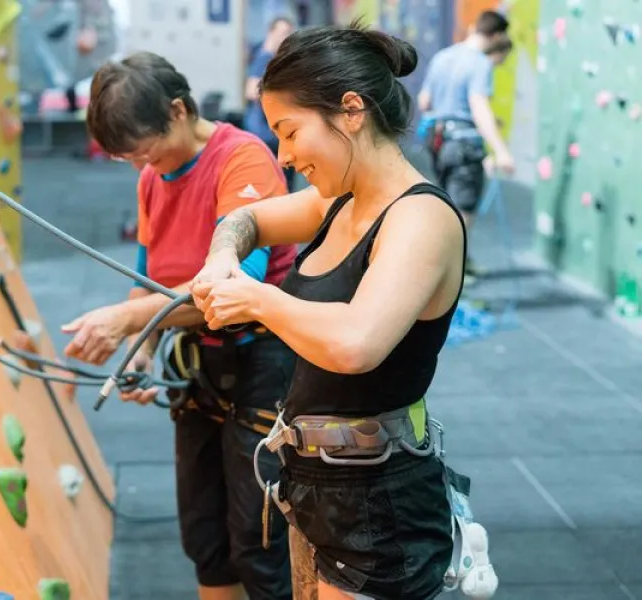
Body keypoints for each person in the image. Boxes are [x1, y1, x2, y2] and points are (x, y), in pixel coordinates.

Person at [189, 21, 468, 600]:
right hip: (317, 488)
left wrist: (256, 297)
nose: (285, 155)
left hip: (380, 504)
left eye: (290, 133)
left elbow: (356, 344)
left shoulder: (420, 219)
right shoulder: (337, 201)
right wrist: (222, 259)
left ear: (349, 110)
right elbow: (248, 220)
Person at [61, 51, 297, 600]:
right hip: (198, 361)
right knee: (204, 534)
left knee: (259, 539)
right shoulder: (152, 177)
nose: (142, 163)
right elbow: (147, 276)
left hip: (263, 359)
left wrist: (127, 322)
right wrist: (141, 351)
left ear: (179, 109)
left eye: (144, 148)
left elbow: (235, 290)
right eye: (129, 157)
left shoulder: (243, 160)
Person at [417, 10, 515, 282]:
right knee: (464, 210)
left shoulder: (442, 57)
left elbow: (425, 102)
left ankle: (459, 264)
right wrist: (502, 150)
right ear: (496, 35)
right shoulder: (480, 64)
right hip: (464, 145)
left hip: (438, 141)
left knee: (449, 204)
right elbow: (478, 106)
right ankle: (452, 273)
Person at [244, 16, 296, 191]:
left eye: (288, 34)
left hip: (271, 134)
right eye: (282, 33)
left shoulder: (273, 59)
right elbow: (251, 90)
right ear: (271, 33)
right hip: (264, 133)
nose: (285, 38)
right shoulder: (264, 58)